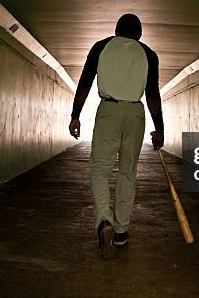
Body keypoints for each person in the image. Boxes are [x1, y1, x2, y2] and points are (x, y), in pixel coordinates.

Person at [69, 13, 164, 259]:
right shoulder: (148, 54)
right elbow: (153, 94)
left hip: (108, 111)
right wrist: (159, 128)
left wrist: (75, 115)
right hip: (135, 113)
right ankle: (121, 231)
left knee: (99, 169)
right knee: (127, 172)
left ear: (115, 30)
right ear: (139, 34)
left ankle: (103, 220)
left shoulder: (100, 47)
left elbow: (85, 83)